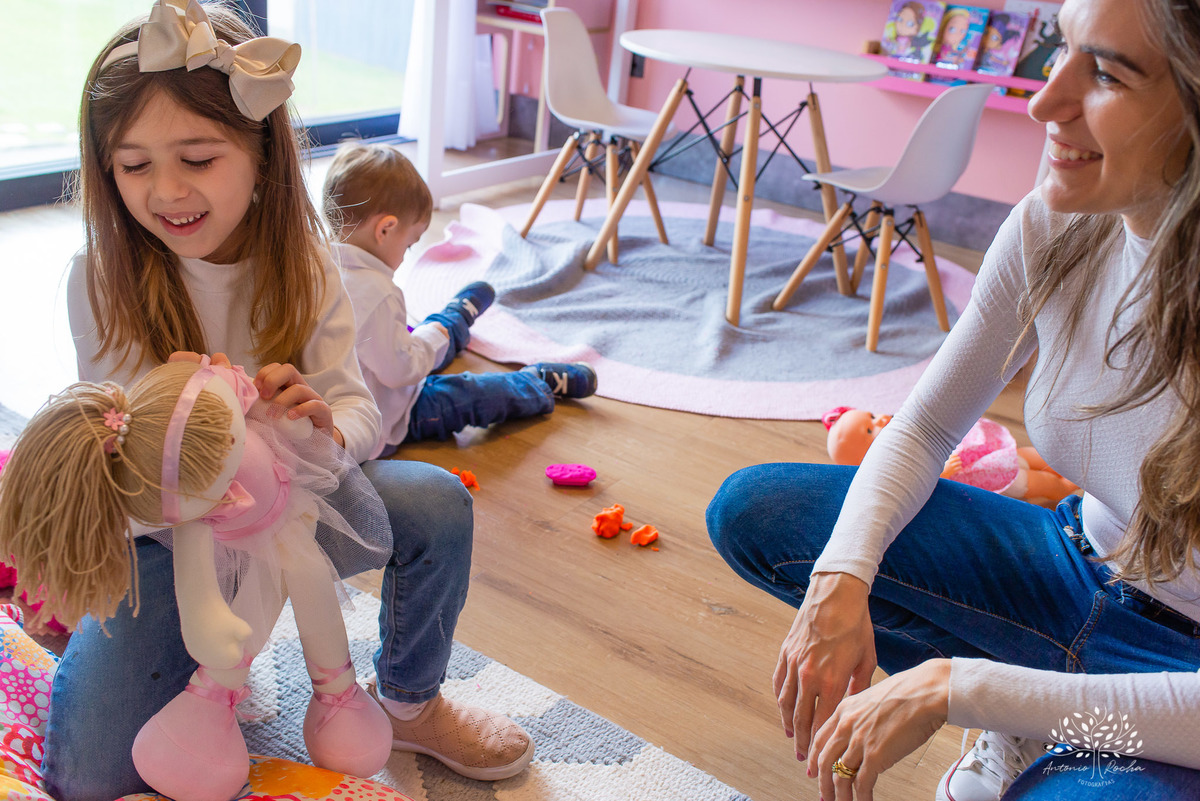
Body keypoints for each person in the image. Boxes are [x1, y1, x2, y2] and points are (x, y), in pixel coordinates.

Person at [706, 0, 1200, 799]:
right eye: (1065, 52)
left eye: (1106, 73)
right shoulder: (1055, 225)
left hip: (1184, 677)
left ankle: (1053, 723)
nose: (1045, 100)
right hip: (1069, 568)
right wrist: (841, 581)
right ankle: (1044, 715)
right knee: (762, 512)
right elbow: (929, 423)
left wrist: (955, 686)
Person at [47, 3, 533, 798]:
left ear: (262, 156)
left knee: (438, 503)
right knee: (89, 776)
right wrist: (173, 458)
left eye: (197, 159)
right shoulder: (100, 277)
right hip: (169, 542)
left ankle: (409, 701)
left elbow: (360, 415)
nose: (166, 191)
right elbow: (118, 478)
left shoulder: (310, 268)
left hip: (299, 507)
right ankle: (173, 657)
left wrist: (322, 425)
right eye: (132, 167)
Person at [321, 140, 598, 457]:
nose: (406, 253)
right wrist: (429, 340)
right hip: (392, 414)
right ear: (385, 229)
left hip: (368, 385)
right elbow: (403, 371)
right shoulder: (378, 293)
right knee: (468, 393)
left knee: (428, 335)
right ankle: (536, 380)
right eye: (409, 245)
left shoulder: (316, 267)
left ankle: (454, 320)